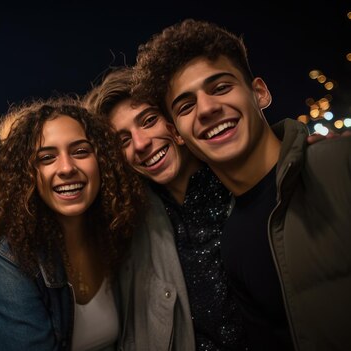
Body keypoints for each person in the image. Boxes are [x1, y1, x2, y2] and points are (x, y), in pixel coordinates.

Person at [132, 18, 351, 350]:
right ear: (177, 133)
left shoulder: (338, 165)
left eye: (220, 87)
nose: (206, 108)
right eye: (186, 106)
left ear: (259, 92)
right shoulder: (233, 241)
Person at [84, 66, 247, 350]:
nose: (141, 144)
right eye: (123, 140)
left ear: (174, 118)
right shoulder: (128, 223)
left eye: (148, 120)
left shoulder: (243, 185)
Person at [0, 97, 145, 350]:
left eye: (80, 151)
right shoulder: (11, 255)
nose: (67, 168)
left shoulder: (117, 231)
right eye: (47, 158)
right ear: (27, 176)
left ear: (103, 162)